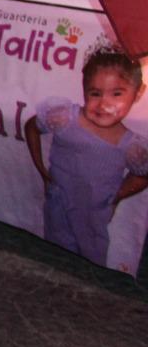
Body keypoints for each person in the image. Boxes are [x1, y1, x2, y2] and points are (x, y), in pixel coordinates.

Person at [24, 44, 148, 267]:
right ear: (84, 91)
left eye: (117, 94)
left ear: (138, 93)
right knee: (54, 260)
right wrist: (41, 169)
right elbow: (31, 127)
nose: (104, 104)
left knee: (90, 266)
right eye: (95, 93)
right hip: (58, 206)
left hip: (94, 218)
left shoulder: (131, 145)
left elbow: (143, 174)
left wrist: (118, 195)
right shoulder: (63, 117)